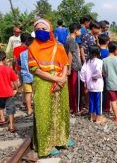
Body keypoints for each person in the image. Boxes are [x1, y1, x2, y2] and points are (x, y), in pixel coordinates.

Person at [29, 19, 72, 157]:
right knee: (44, 113)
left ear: (50, 30)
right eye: (38, 29)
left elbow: (65, 64)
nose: (40, 31)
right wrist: (56, 79)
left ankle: (61, 139)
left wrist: (62, 78)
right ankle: (46, 145)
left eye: (43, 28)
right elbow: (35, 69)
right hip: (43, 83)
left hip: (61, 83)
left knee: (61, 111)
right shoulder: (32, 48)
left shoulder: (58, 46)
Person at [80, 45, 106, 123]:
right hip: (97, 84)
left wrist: (84, 81)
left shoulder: (87, 61)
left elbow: (82, 71)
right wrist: (96, 76)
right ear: (98, 52)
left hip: (90, 84)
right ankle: (98, 118)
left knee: (91, 100)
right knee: (98, 101)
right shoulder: (99, 61)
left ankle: (92, 117)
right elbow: (98, 71)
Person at [103, 41, 117, 123]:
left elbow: (104, 73)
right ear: (115, 50)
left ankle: (116, 118)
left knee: (113, 101)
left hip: (110, 84)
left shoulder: (104, 60)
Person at [65, 23, 82, 114]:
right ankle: (76, 108)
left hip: (72, 66)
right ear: (75, 31)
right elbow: (70, 54)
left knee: (71, 87)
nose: (80, 32)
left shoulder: (68, 39)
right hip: (75, 66)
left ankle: (72, 107)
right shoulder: (72, 40)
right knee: (76, 88)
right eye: (79, 30)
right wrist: (69, 68)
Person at [19, 35, 34, 115]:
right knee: (36, 93)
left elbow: (20, 64)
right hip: (34, 76)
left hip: (25, 76)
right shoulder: (35, 53)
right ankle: (36, 107)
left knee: (28, 94)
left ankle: (29, 109)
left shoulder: (22, 54)